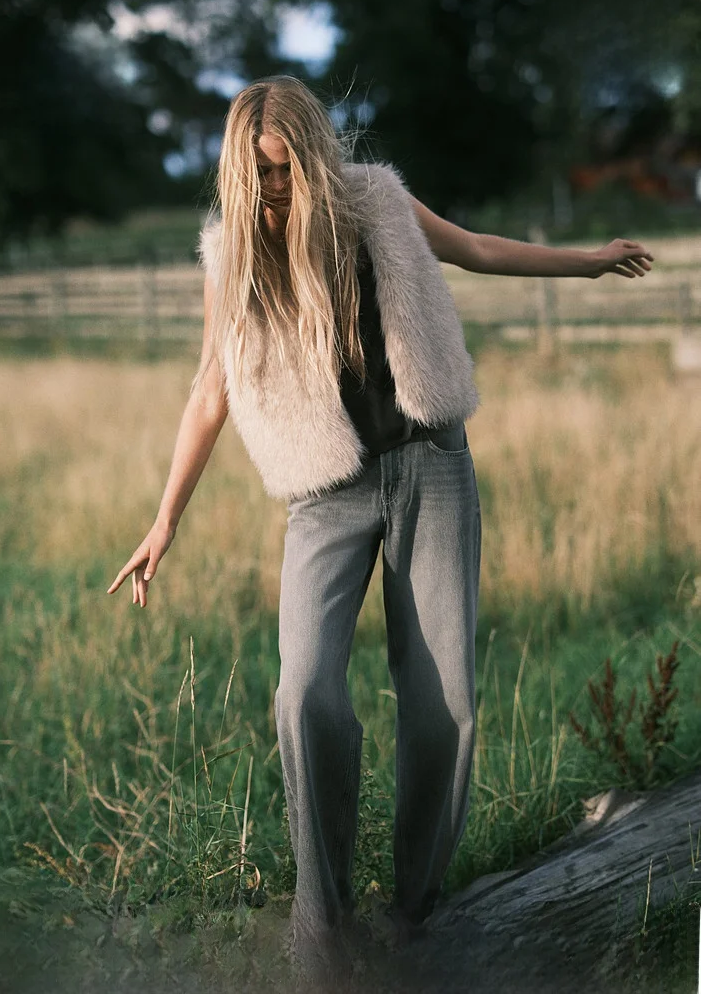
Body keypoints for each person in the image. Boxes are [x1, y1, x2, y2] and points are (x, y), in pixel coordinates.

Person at [107, 75, 654, 988]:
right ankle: (323, 929)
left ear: (315, 154)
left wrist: (589, 261)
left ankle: (414, 917)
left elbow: (475, 247)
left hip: (430, 466)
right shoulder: (234, 249)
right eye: (258, 174)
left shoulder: (378, 202)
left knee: (444, 709)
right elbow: (211, 389)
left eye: (285, 169)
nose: (273, 187)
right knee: (304, 691)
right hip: (324, 494)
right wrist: (164, 521)